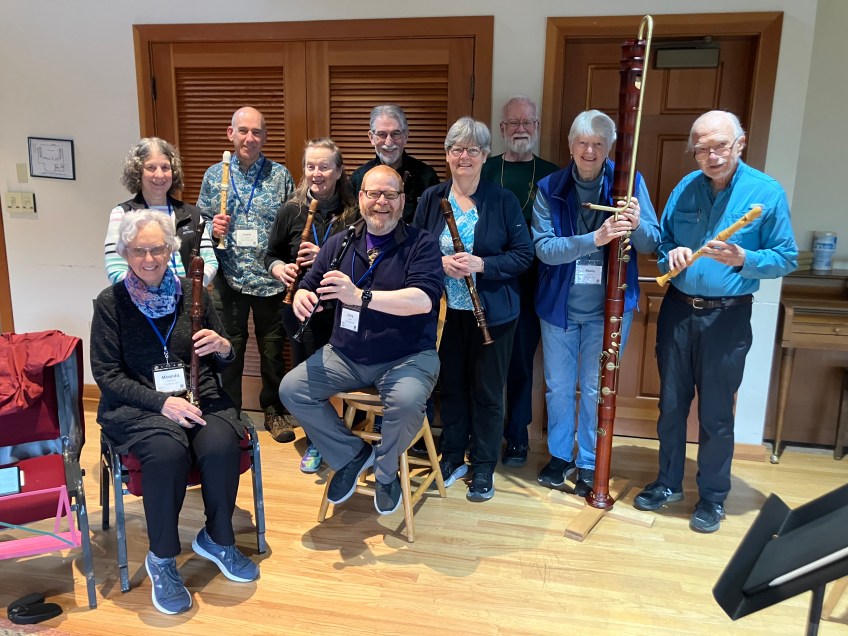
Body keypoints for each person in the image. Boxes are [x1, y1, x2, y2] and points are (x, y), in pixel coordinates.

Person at [633, 110, 797, 533]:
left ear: (740, 143)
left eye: (720, 145)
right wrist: (670, 254)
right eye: (702, 149)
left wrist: (745, 258)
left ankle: (712, 497)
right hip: (678, 309)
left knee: (717, 414)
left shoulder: (766, 192)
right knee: (671, 405)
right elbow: (664, 241)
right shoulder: (686, 187)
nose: (711, 156)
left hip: (728, 316)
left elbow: (786, 257)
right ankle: (668, 483)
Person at [91, 210, 258, 615]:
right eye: (139, 251)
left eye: (157, 249)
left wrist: (223, 347)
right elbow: (107, 375)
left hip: (198, 395)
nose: (149, 259)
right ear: (125, 253)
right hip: (142, 405)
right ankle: (162, 558)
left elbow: (222, 355)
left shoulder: (193, 292)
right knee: (166, 453)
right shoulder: (110, 303)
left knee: (221, 444)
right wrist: (162, 403)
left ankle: (217, 539)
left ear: (171, 250)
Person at [279, 165, 444, 515]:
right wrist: (304, 297)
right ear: (360, 198)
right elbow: (309, 285)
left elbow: (423, 300)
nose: (381, 202)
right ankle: (353, 454)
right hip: (347, 354)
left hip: (407, 355)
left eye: (390, 194)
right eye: (373, 193)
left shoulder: (422, 243)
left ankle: (385, 472)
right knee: (292, 389)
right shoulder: (340, 243)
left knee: (406, 402)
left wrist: (360, 296)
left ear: (402, 201)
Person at [532, 110, 660, 497]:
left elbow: (652, 242)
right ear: (571, 146)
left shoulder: (630, 183)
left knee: (594, 388)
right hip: (559, 308)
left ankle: (589, 461)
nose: (589, 151)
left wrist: (636, 224)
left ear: (609, 148)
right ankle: (560, 456)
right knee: (557, 386)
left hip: (608, 312)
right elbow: (544, 249)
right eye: (583, 143)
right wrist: (595, 239)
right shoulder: (549, 187)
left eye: (598, 144)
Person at [413, 117, 534, 502]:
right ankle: (452, 457)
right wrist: (439, 263)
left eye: (472, 150)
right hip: (444, 315)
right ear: (447, 154)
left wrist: (482, 264)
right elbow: (414, 250)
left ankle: (483, 465)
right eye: (456, 149)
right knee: (450, 387)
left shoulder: (503, 200)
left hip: (493, 316)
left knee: (487, 392)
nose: (463, 157)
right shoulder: (432, 198)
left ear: (484, 155)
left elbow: (524, 255)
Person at [197, 106, 296, 443]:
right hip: (230, 277)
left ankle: (275, 411)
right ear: (231, 134)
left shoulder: (280, 176)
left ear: (265, 137)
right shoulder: (215, 175)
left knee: (272, 350)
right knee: (229, 349)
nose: (249, 138)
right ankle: (230, 414)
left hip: (271, 278)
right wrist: (213, 228)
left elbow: (292, 225)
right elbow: (200, 224)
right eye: (243, 131)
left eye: (256, 132)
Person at [265, 138, 358, 472]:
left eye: (324, 167)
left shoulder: (354, 213)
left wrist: (325, 257)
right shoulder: (292, 209)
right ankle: (317, 441)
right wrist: (280, 269)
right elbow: (271, 254)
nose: (316, 173)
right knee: (307, 376)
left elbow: (365, 263)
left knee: (342, 376)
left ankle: (347, 438)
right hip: (299, 308)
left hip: (341, 310)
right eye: (310, 166)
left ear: (339, 171)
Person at [481, 95, 559, 467]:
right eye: (513, 123)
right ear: (501, 129)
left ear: (537, 127)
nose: (520, 129)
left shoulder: (553, 174)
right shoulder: (483, 168)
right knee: (484, 360)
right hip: (487, 280)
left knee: (521, 362)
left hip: (530, 282)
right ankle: (483, 433)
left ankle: (517, 435)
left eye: (527, 122)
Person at [105, 137, 217, 286]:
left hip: (186, 298)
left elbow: (210, 261)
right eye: (151, 167)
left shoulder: (193, 215)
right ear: (138, 172)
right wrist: (156, 293)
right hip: (138, 300)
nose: (159, 175)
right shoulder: (122, 215)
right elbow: (115, 270)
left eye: (165, 167)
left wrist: (190, 289)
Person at [350, 104, 440, 223]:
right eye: (382, 134)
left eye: (395, 134)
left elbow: (434, 223)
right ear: (371, 138)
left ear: (405, 136)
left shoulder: (427, 177)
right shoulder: (358, 179)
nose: (389, 142)